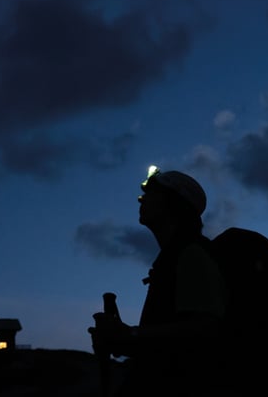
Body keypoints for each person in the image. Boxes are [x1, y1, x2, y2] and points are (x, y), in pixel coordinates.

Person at [89, 167, 228, 396]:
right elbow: (169, 342)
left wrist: (131, 335)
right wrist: (122, 340)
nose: (140, 199)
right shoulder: (172, 259)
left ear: (173, 203)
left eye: (150, 194)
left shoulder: (192, 255)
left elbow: (205, 329)